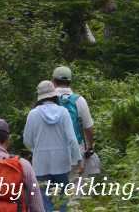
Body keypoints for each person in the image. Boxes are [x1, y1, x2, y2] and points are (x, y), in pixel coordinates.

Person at [23, 81, 81, 212]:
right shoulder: (64, 112)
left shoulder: (33, 114)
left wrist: (36, 150)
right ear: (54, 95)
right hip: (62, 163)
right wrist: (78, 159)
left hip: (40, 164)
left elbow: (27, 140)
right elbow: (72, 138)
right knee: (63, 199)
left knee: (43, 200)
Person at [52, 66, 95, 179]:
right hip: (75, 153)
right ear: (70, 82)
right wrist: (90, 147)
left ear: (53, 82)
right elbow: (88, 128)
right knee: (74, 190)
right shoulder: (79, 100)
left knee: (53, 190)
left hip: (51, 154)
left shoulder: (46, 100)